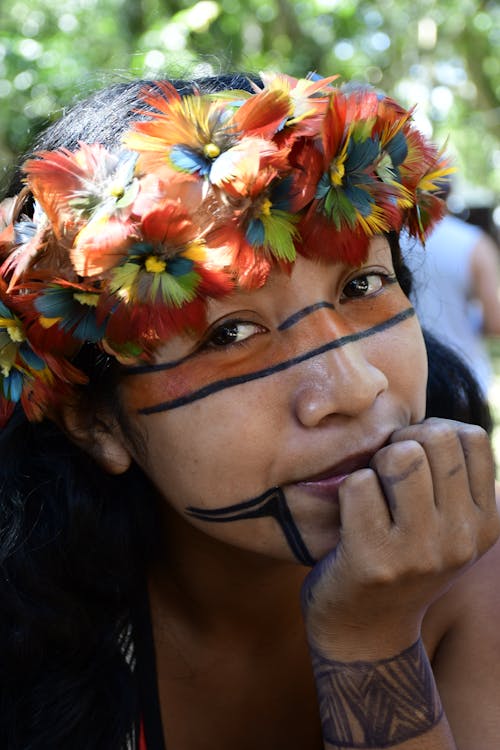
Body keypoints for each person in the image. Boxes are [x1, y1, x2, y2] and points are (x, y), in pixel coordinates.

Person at [0, 71, 499, 750]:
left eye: (363, 283)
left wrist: (371, 642)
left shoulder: (479, 580)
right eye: (229, 333)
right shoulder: (27, 627)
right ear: (96, 423)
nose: (352, 389)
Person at [402, 189, 500, 397]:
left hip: (409, 382)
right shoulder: (473, 242)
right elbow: (495, 322)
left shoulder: (392, 240)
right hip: (465, 379)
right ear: (450, 192)